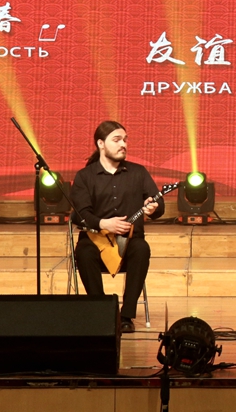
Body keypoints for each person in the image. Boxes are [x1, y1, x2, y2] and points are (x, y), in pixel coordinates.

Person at [70, 121, 163, 333]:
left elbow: (159, 206)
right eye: (117, 140)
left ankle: (126, 316)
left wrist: (153, 208)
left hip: (129, 243)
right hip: (95, 241)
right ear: (101, 144)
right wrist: (104, 223)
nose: (123, 144)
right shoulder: (85, 176)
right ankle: (102, 312)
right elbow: (80, 214)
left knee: (141, 249)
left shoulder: (138, 172)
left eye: (125, 140)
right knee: (84, 252)